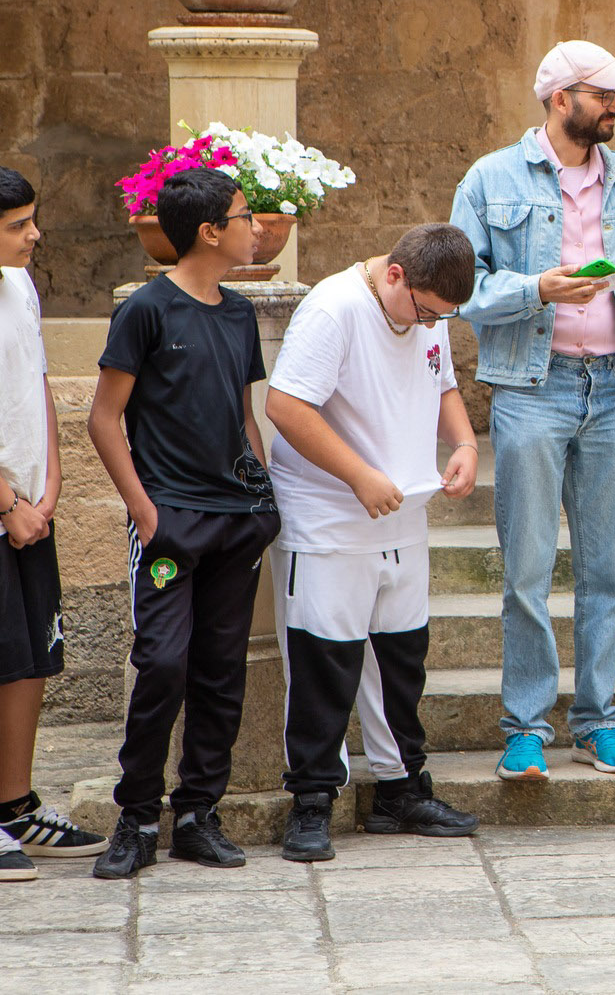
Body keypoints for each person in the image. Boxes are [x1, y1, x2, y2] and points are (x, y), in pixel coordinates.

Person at [450, 40, 615, 782]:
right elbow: (460, 286)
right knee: (526, 569)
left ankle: (598, 722)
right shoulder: (490, 178)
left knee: (608, 570)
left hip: (612, 389)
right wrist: (537, 289)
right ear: (560, 98)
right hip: (531, 387)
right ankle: (525, 728)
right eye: (602, 93)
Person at [264, 224, 483, 861]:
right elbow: (286, 406)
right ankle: (312, 799)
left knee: (401, 655)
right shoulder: (333, 310)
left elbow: (442, 383)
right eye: (426, 311)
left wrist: (465, 443)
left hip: (403, 512)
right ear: (395, 275)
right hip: (329, 517)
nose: (430, 324)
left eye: (442, 316)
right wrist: (358, 474)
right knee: (322, 659)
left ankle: (400, 789)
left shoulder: (426, 309)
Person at [86, 168, 282, 877]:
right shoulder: (146, 310)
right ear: (209, 231)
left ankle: (199, 813)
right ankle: (138, 817)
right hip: (170, 524)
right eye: (245, 214)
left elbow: (242, 414)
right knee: (163, 663)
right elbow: (104, 419)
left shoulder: (238, 313)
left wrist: (264, 500)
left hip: (237, 523)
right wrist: (146, 513)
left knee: (221, 670)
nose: (255, 226)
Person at [0, 168, 106, 880]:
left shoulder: (21, 286)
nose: (35, 234)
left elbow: (35, 382)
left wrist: (50, 485)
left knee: (31, 657)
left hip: (31, 511)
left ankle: (14, 807)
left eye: (32, 219)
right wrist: (6, 502)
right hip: (8, 509)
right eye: (17, 225)